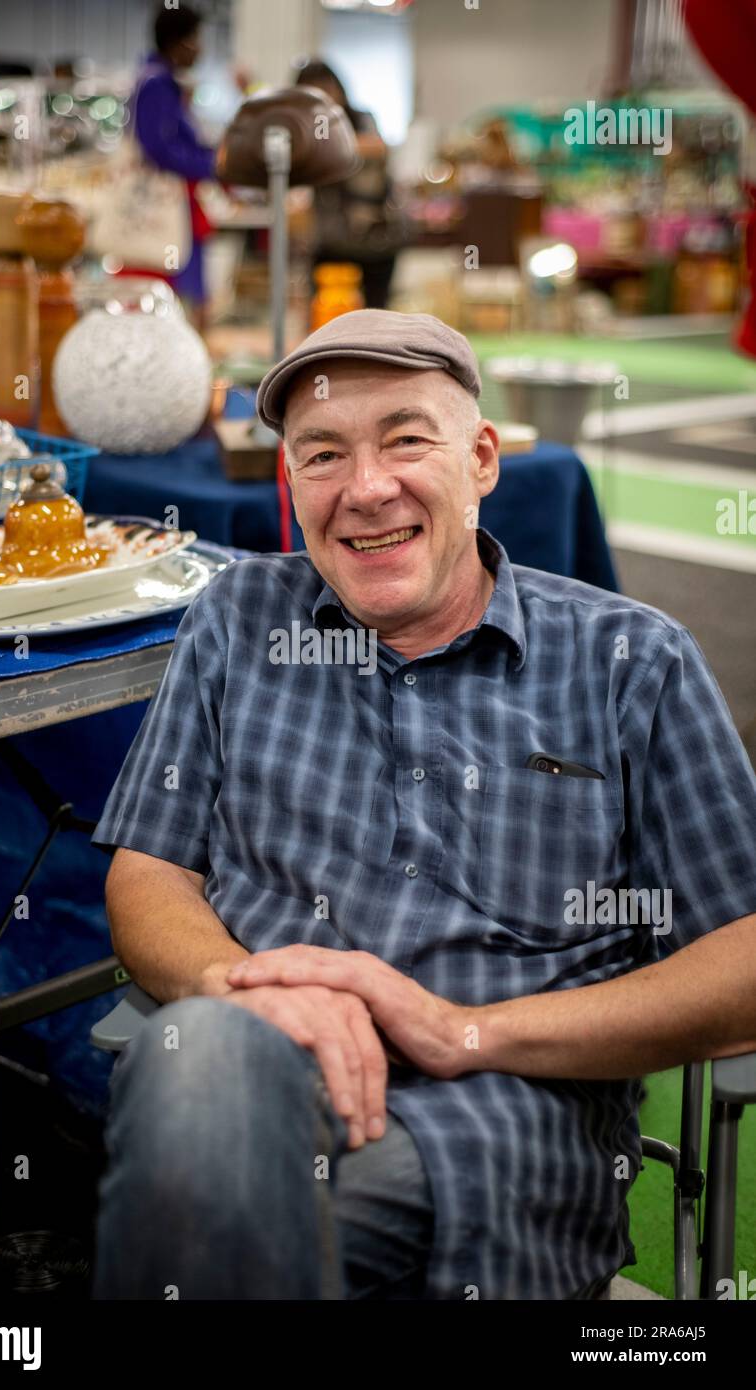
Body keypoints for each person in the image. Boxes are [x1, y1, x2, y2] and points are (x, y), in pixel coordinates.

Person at [91, 310, 756, 1301]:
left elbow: (740, 961)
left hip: (498, 1123)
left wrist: (464, 1029)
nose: (365, 489)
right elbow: (149, 867)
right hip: (257, 1066)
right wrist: (243, 985)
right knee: (203, 1074)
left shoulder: (630, 660)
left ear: (481, 458)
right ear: (290, 485)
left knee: (223, 1216)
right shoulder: (234, 620)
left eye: (405, 438)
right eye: (321, 453)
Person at [127, 3, 217, 325]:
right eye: (197, 38)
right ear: (180, 42)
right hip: (169, 209)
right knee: (176, 305)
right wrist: (211, 164)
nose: (201, 48)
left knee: (185, 301)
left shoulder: (164, 83)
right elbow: (159, 150)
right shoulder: (156, 84)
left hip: (180, 207)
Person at [294, 59, 403, 310]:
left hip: (375, 239)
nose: (323, 98)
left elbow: (378, 147)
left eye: (327, 89)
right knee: (327, 318)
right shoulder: (301, 129)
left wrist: (325, 146)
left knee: (375, 315)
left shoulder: (361, 119)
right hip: (330, 242)